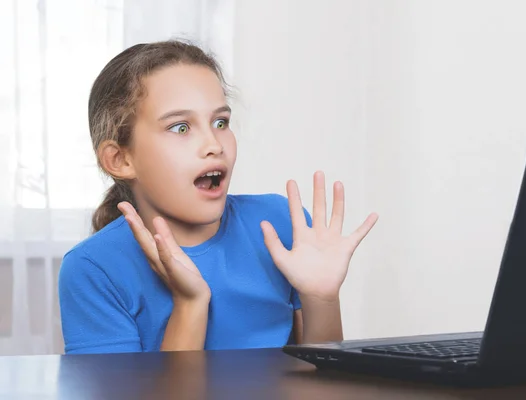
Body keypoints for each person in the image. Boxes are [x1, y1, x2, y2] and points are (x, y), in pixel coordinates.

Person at [58, 39, 378, 354]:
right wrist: (190, 303)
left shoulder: (279, 224)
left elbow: (323, 385)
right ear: (120, 159)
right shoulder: (93, 268)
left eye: (220, 122)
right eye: (181, 128)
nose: (214, 143)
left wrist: (321, 298)